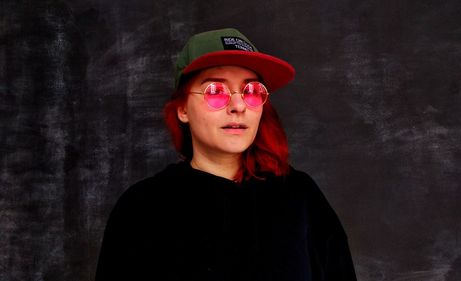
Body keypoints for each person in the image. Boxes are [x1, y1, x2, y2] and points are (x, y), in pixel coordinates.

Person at [95, 28, 357, 281]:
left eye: (251, 91)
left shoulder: (300, 197)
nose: (238, 106)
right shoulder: (142, 208)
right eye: (215, 91)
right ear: (182, 109)